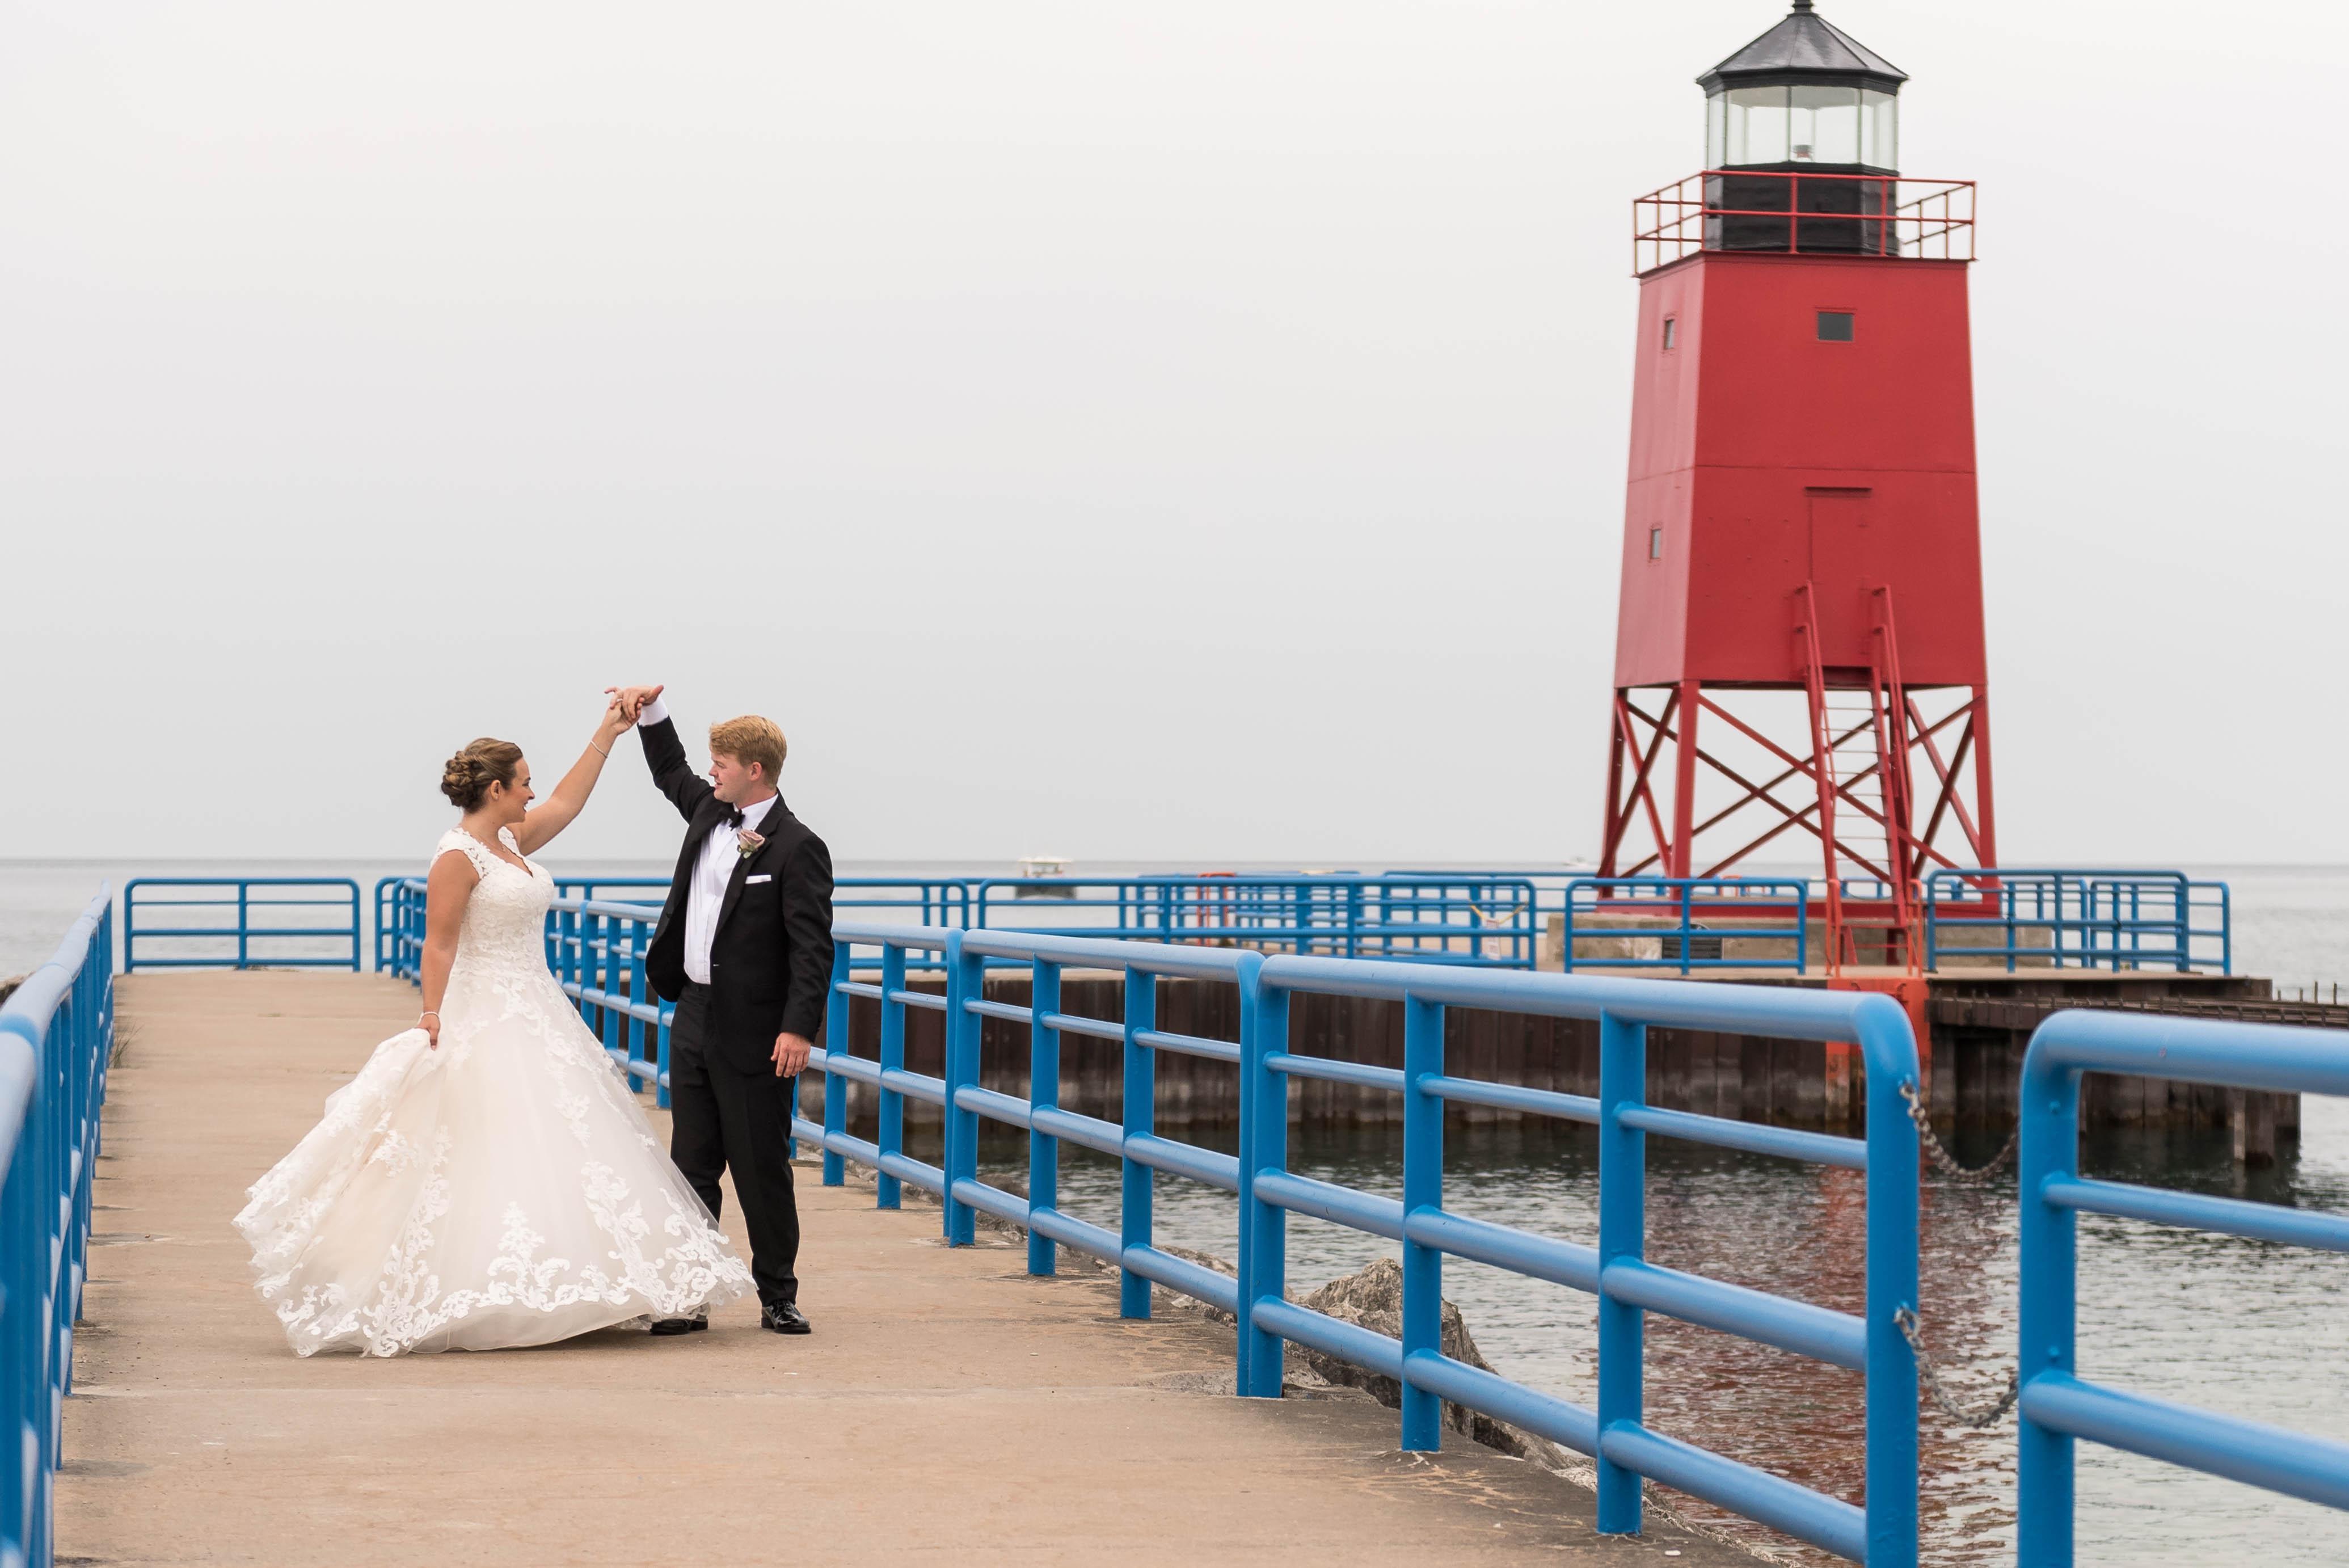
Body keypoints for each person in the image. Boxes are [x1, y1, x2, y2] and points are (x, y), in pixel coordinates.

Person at [234, 702, 754, 1356]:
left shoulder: (509, 842)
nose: (533, 792)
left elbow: (567, 803)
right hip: (485, 1010)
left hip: (538, 1007)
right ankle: (484, 1287)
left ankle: (566, 1280)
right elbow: (440, 942)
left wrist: (608, 733)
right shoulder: (457, 855)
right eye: (524, 782)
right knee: (493, 1143)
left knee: (560, 1146)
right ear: (496, 789)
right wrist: (432, 1014)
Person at [606, 684, 832, 1337]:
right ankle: (690, 1295)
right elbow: (668, 769)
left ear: (754, 770)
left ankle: (778, 1295)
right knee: (692, 1166)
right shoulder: (709, 810)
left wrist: (797, 1027)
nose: (711, 772)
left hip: (757, 1030)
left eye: (722, 764)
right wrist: (650, 712)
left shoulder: (797, 846)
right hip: (694, 1014)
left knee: (761, 1170)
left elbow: (812, 948)